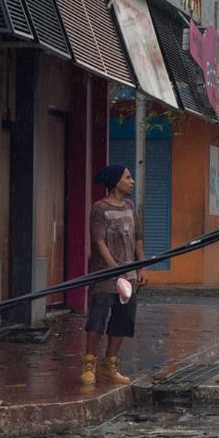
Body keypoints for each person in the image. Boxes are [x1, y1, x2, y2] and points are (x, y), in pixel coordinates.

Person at [82, 163, 145, 387]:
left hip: (129, 277)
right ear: (116, 181)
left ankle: (110, 365)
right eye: (128, 178)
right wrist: (115, 270)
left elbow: (137, 238)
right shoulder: (99, 209)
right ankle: (89, 364)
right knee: (98, 318)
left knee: (122, 319)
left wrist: (140, 267)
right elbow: (99, 241)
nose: (132, 181)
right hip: (106, 276)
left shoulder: (129, 207)